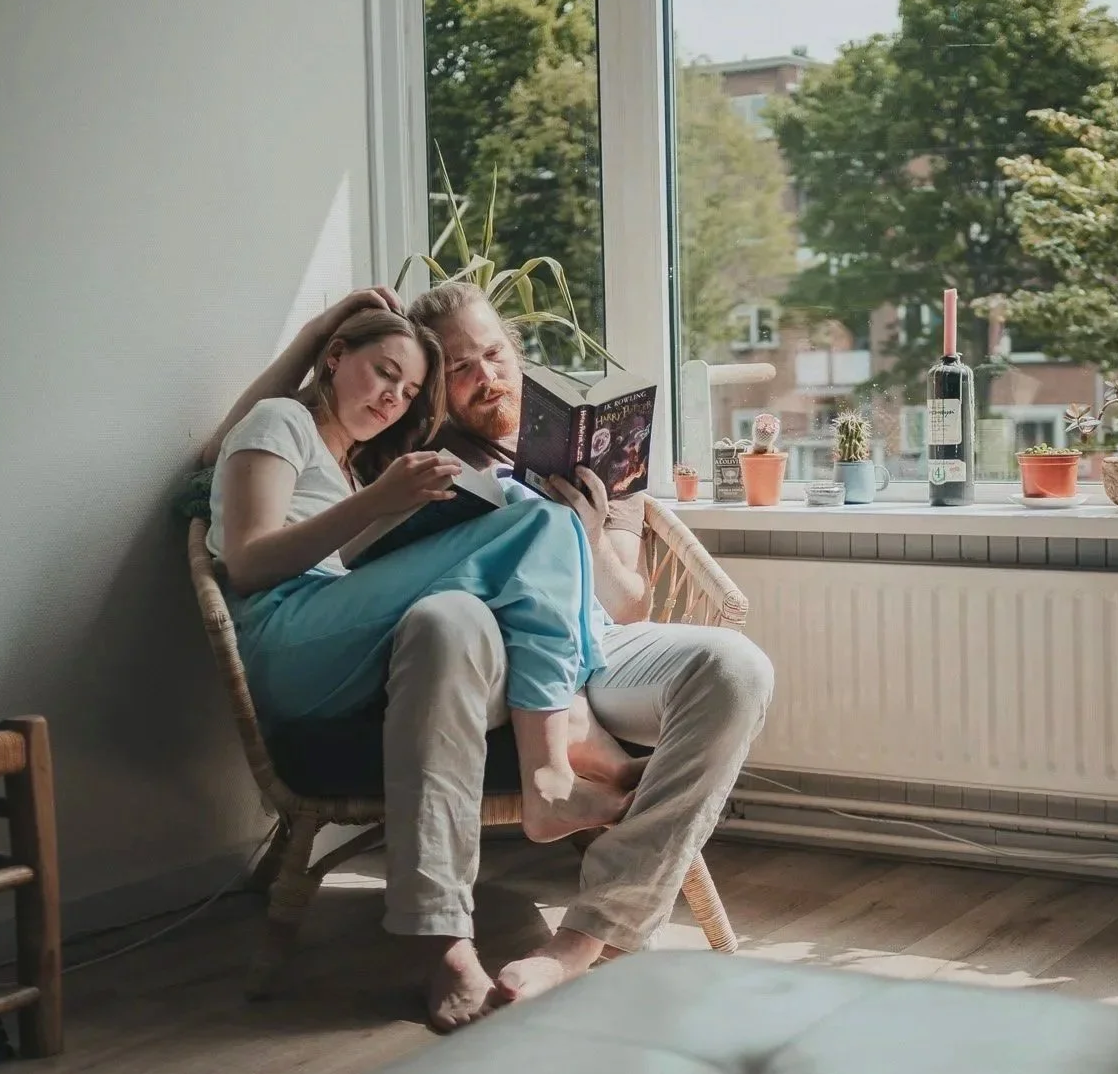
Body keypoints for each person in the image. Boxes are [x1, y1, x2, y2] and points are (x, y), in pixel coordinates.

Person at [397, 281, 773, 1027]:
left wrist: (588, 526)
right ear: (433, 385)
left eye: (495, 354)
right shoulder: (417, 456)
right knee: (473, 614)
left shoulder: (597, 445)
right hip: (497, 654)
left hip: (602, 642)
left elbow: (631, 599)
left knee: (737, 668)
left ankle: (584, 935)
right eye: (461, 369)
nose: (488, 379)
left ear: (517, 351)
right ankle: (575, 743)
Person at [201, 298, 634, 851]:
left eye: (409, 392)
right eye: (385, 372)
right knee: (540, 521)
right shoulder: (282, 419)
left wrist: (388, 509)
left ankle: (566, 748)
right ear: (334, 356)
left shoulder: (352, 470)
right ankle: (552, 777)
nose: (393, 398)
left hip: (339, 653)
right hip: (284, 645)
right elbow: (246, 564)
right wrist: (313, 332)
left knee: (532, 536)